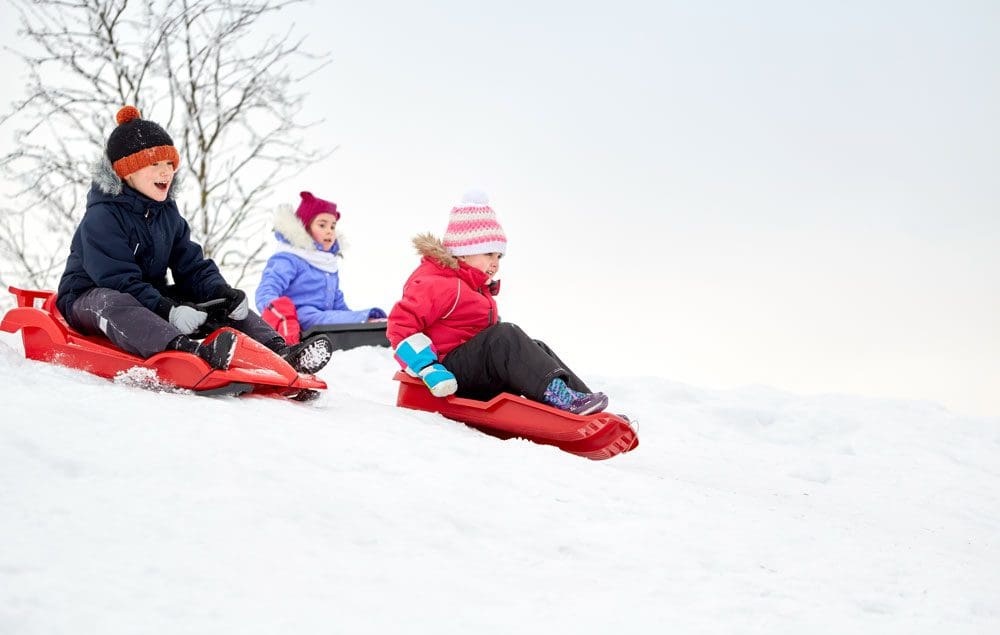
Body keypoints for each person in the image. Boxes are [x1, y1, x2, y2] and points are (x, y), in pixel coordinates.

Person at [55, 105, 334, 373]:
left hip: (147, 296)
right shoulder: (102, 217)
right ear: (127, 170)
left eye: (169, 163)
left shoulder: (166, 213)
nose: (167, 171)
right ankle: (188, 354)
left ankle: (282, 352)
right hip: (87, 298)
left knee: (219, 303)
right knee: (113, 302)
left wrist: (221, 293)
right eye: (155, 164)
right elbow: (117, 279)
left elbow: (191, 265)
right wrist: (168, 310)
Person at [386, 190, 609, 415]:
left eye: (498, 257)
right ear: (463, 253)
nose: (495, 263)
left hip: (471, 372)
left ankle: (585, 403)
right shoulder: (439, 283)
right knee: (505, 337)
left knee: (536, 346)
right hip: (444, 375)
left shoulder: (474, 288)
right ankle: (562, 398)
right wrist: (427, 367)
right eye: (489, 254)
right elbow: (400, 326)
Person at [255, 191, 386, 342]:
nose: (329, 231)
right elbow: (267, 288)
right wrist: (277, 312)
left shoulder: (327, 263)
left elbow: (336, 301)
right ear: (305, 227)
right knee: (318, 316)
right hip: (298, 317)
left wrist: (351, 319)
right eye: (322, 225)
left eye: (333, 226)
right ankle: (366, 321)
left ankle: (368, 326)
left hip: (325, 318)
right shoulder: (289, 258)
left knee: (332, 317)